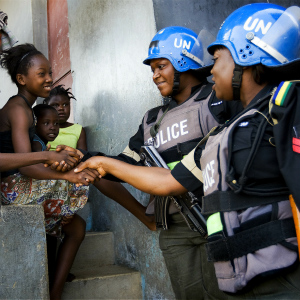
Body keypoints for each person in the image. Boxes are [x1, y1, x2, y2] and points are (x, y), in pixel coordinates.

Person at [75, 4, 300, 299]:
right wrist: (93, 160)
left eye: (218, 59)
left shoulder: (277, 108)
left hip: (272, 264)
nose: (212, 68)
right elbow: (166, 179)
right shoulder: (210, 133)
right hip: (229, 255)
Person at [72, 26, 242, 299]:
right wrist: (90, 159)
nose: (155, 75)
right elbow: (126, 164)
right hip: (174, 230)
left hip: (220, 219)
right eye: (152, 68)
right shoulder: (152, 119)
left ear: (183, 62)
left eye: (161, 66)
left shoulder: (217, 100)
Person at [0, 43, 99, 300]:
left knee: (77, 227)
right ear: (22, 79)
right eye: (41, 74)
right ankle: (62, 215)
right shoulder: (19, 110)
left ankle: (54, 293)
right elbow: (25, 165)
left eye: (49, 72)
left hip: (17, 182)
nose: (49, 79)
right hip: (8, 188)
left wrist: (60, 159)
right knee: (82, 176)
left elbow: (31, 162)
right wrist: (63, 171)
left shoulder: (28, 111)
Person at [45, 84, 156, 231]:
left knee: (98, 170)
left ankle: (146, 214)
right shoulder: (41, 127)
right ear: (46, 106)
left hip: (73, 170)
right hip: (47, 171)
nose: (60, 108)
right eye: (55, 105)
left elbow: (83, 156)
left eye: (65, 104)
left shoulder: (77, 129)